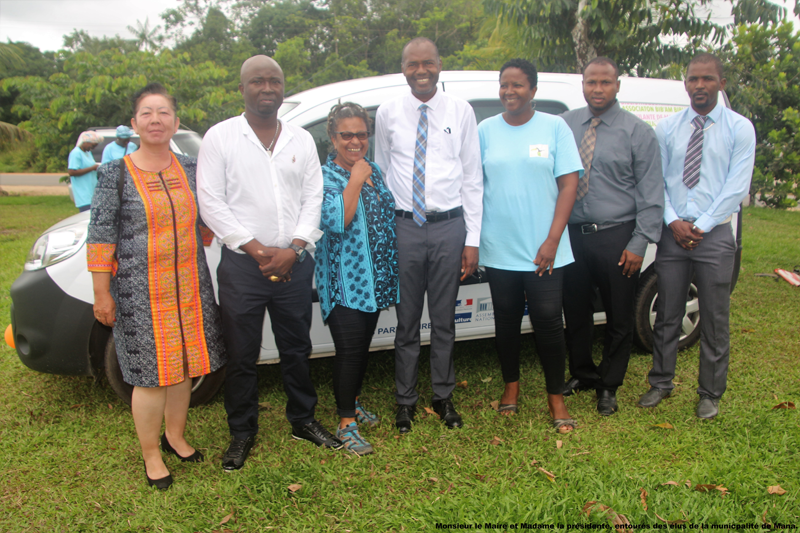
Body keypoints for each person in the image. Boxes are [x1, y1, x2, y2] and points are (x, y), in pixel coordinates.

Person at [198, 55, 337, 472]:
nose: (267, 88)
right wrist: (256, 249)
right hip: (244, 267)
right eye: (257, 81)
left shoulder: (301, 139)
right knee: (242, 354)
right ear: (242, 89)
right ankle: (242, 431)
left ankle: (303, 420)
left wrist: (294, 248)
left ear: (282, 87)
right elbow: (211, 201)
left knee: (297, 347)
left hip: (294, 262)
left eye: (274, 81)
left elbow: (313, 196)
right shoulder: (221, 137)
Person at [87, 83, 226, 490]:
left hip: (190, 288)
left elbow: (208, 216)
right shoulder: (115, 173)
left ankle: (175, 436)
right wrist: (101, 293)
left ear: (175, 122)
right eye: (146, 113)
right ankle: (151, 454)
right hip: (139, 294)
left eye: (163, 112)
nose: (155, 120)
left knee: (183, 368)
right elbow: (100, 235)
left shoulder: (191, 168)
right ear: (134, 124)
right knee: (150, 376)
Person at [638, 53, 756, 419]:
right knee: (667, 312)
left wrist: (701, 225)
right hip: (673, 233)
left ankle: (710, 393)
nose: (699, 85)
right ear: (685, 83)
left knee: (715, 319)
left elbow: (736, 187)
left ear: (721, 83)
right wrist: (674, 222)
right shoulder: (668, 128)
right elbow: (657, 181)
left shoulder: (739, 128)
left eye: (707, 78)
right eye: (693, 79)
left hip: (714, 235)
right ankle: (661, 382)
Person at [374, 37, 483, 433]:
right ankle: (405, 401)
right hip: (404, 226)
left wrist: (472, 239)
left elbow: (472, 176)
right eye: (412, 64)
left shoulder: (461, 111)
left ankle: (443, 396)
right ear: (403, 68)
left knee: (443, 320)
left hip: (449, 227)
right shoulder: (388, 113)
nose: (421, 71)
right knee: (405, 322)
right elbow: (382, 171)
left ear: (439, 65)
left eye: (428, 63)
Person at [478, 58, 582, 433]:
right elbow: (474, 185)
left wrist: (553, 239)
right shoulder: (485, 130)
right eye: (504, 84)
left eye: (518, 85)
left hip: (545, 249)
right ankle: (511, 387)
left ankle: (556, 397)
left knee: (548, 322)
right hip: (499, 246)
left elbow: (569, 185)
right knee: (505, 321)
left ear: (533, 90)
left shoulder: (555, 127)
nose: (509, 91)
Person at [560, 57, 664, 416]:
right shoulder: (565, 124)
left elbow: (651, 194)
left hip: (617, 236)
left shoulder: (638, 132)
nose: (598, 89)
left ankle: (609, 385)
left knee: (619, 315)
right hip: (573, 235)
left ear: (617, 86)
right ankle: (583, 373)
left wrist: (639, 242)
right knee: (575, 311)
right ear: (583, 84)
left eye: (605, 82)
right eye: (591, 82)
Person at [315, 102, 399, 455]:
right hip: (344, 283)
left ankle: (353, 401)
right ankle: (346, 423)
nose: (355, 141)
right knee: (349, 351)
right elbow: (338, 221)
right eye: (346, 135)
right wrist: (356, 179)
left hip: (373, 280)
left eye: (361, 134)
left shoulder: (372, 168)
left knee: (362, 348)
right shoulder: (324, 176)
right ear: (333, 138)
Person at [67, 131, 102, 212]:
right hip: (84, 194)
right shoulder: (76, 153)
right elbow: (72, 172)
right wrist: (92, 168)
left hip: (92, 192)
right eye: (93, 145)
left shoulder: (88, 153)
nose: (93, 148)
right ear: (85, 142)